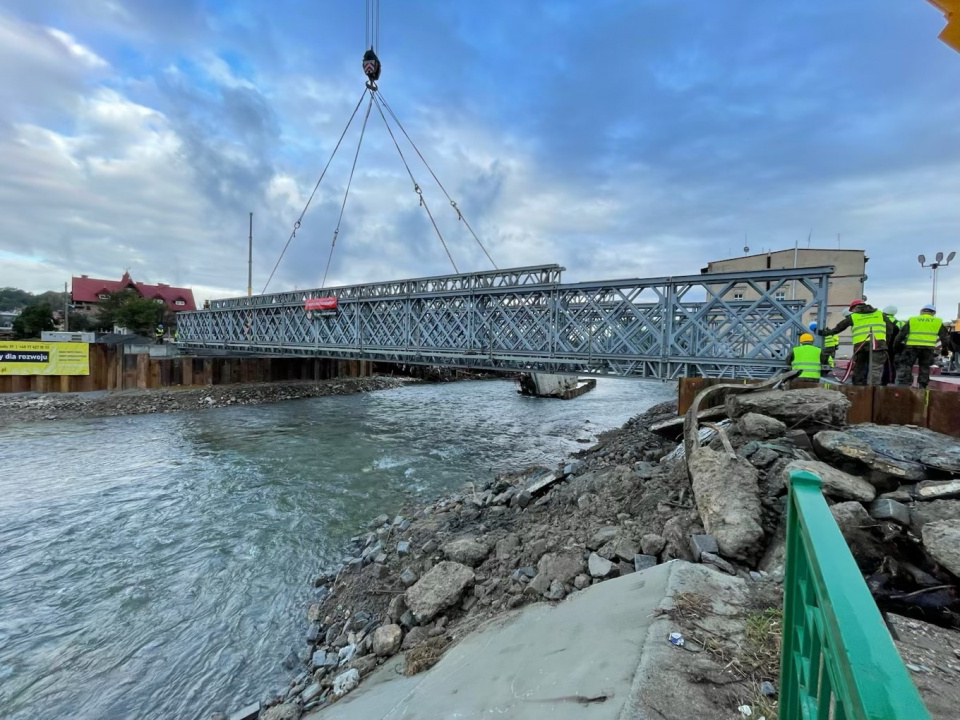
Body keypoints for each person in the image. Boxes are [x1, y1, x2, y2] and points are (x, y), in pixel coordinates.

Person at [818, 299, 888, 386]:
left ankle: (858, 389)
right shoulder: (879, 314)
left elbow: (838, 328)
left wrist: (825, 333)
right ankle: (873, 390)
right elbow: (890, 328)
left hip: (861, 346)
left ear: (855, 308)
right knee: (875, 369)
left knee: (859, 368)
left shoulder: (853, 316)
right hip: (878, 345)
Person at [893, 304, 950, 388]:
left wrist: (896, 346)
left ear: (921, 311)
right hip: (928, 348)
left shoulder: (913, 319)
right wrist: (945, 349)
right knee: (924, 367)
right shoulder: (937, 321)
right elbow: (944, 336)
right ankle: (922, 386)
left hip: (911, 347)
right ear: (933, 312)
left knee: (906, 365)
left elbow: (901, 334)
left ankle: (904, 385)